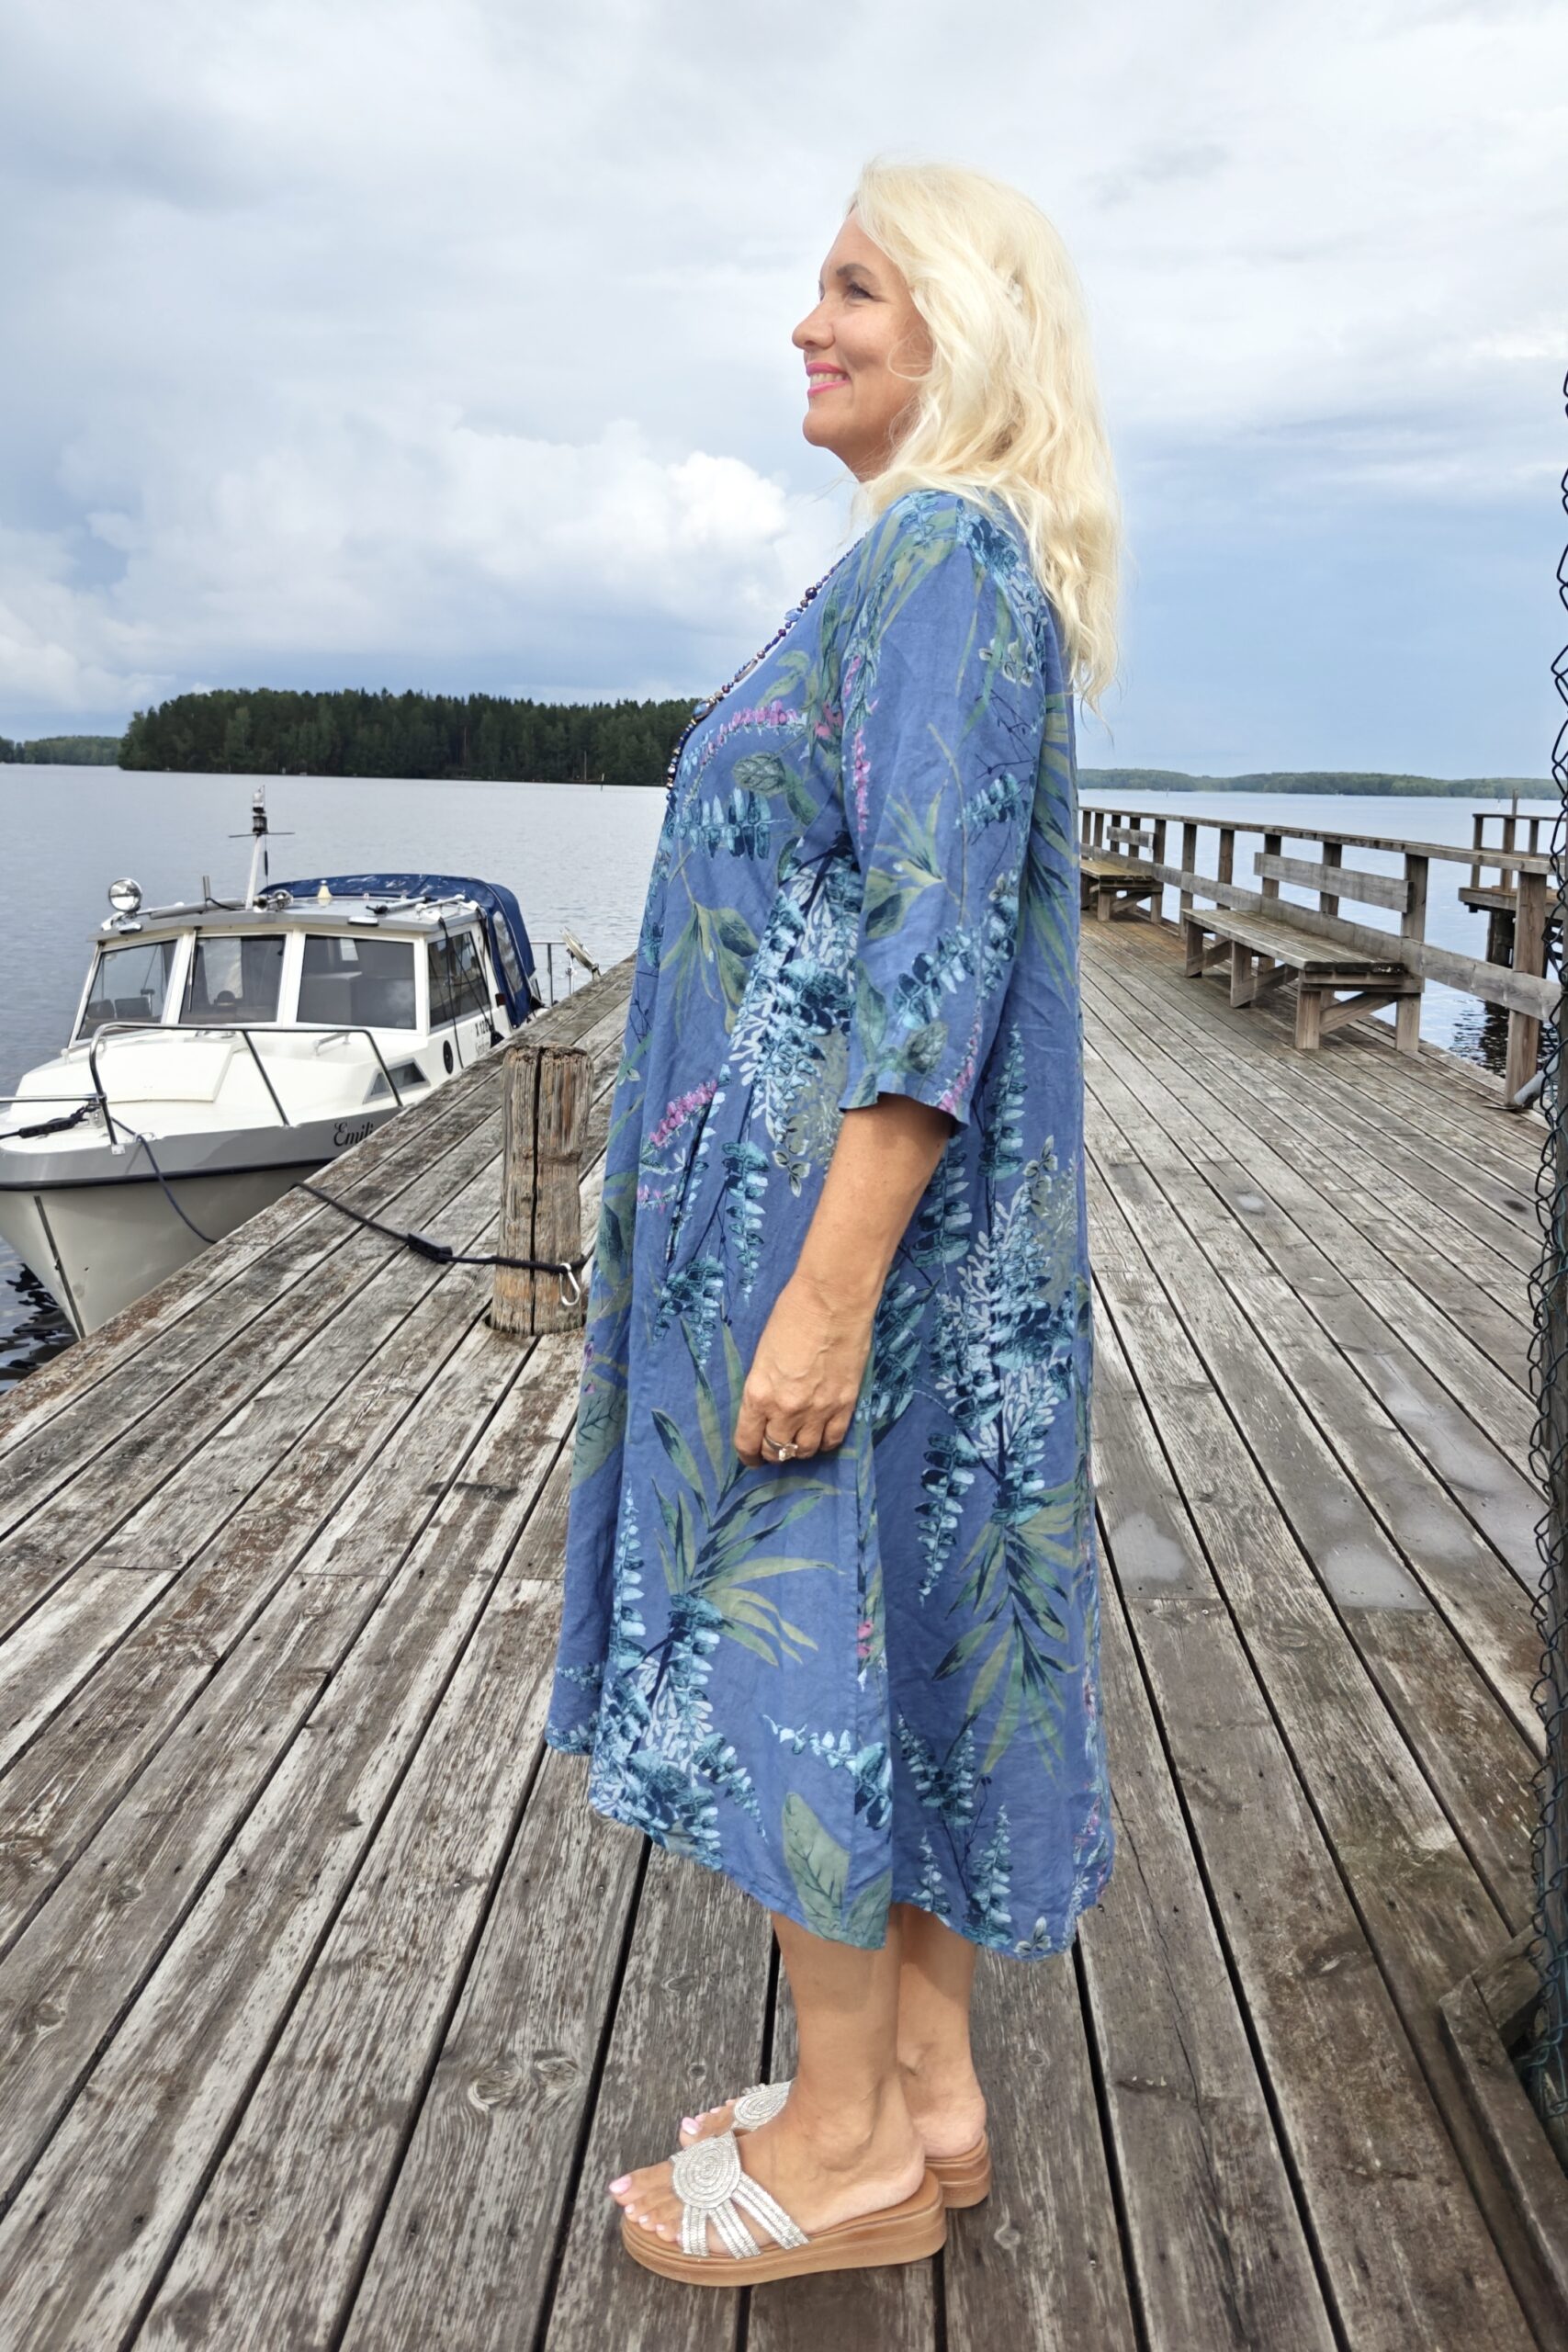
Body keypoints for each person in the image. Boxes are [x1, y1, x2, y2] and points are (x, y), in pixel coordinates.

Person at [545, 153, 1123, 2286]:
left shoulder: (942, 558)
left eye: (856, 286)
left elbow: (926, 953)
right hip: (876, 1250)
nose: (807, 321)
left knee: (801, 1645)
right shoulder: (927, 563)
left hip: (853, 1255)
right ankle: (924, 2089)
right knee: (910, 1638)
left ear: (960, 328)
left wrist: (819, 1291)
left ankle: (850, 2136)